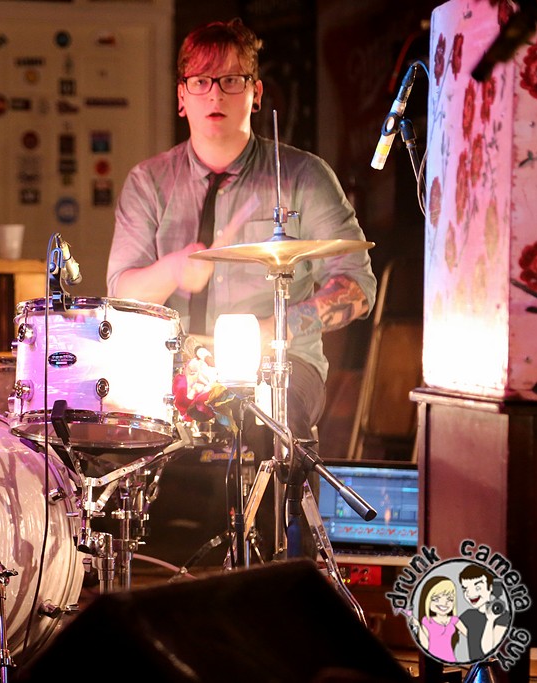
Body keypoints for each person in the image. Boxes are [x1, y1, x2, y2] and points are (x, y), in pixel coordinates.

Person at [106, 19, 376, 558]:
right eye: (201, 82)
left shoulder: (302, 176)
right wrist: (175, 267)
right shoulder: (148, 182)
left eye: (232, 80)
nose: (216, 94)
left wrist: (272, 331)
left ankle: (277, 566)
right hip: (172, 363)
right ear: (181, 96)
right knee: (100, 424)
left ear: (255, 92)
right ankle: (141, 567)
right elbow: (121, 293)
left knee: (271, 418)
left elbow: (357, 286)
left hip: (280, 363)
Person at [458, 564, 511, 661]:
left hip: (493, 667)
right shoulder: (468, 615)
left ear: (490, 587)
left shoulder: (503, 616)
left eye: (477, 588)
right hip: (474, 666)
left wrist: (490, 620)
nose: (470, 594)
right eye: (466, 589)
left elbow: (487, 651)